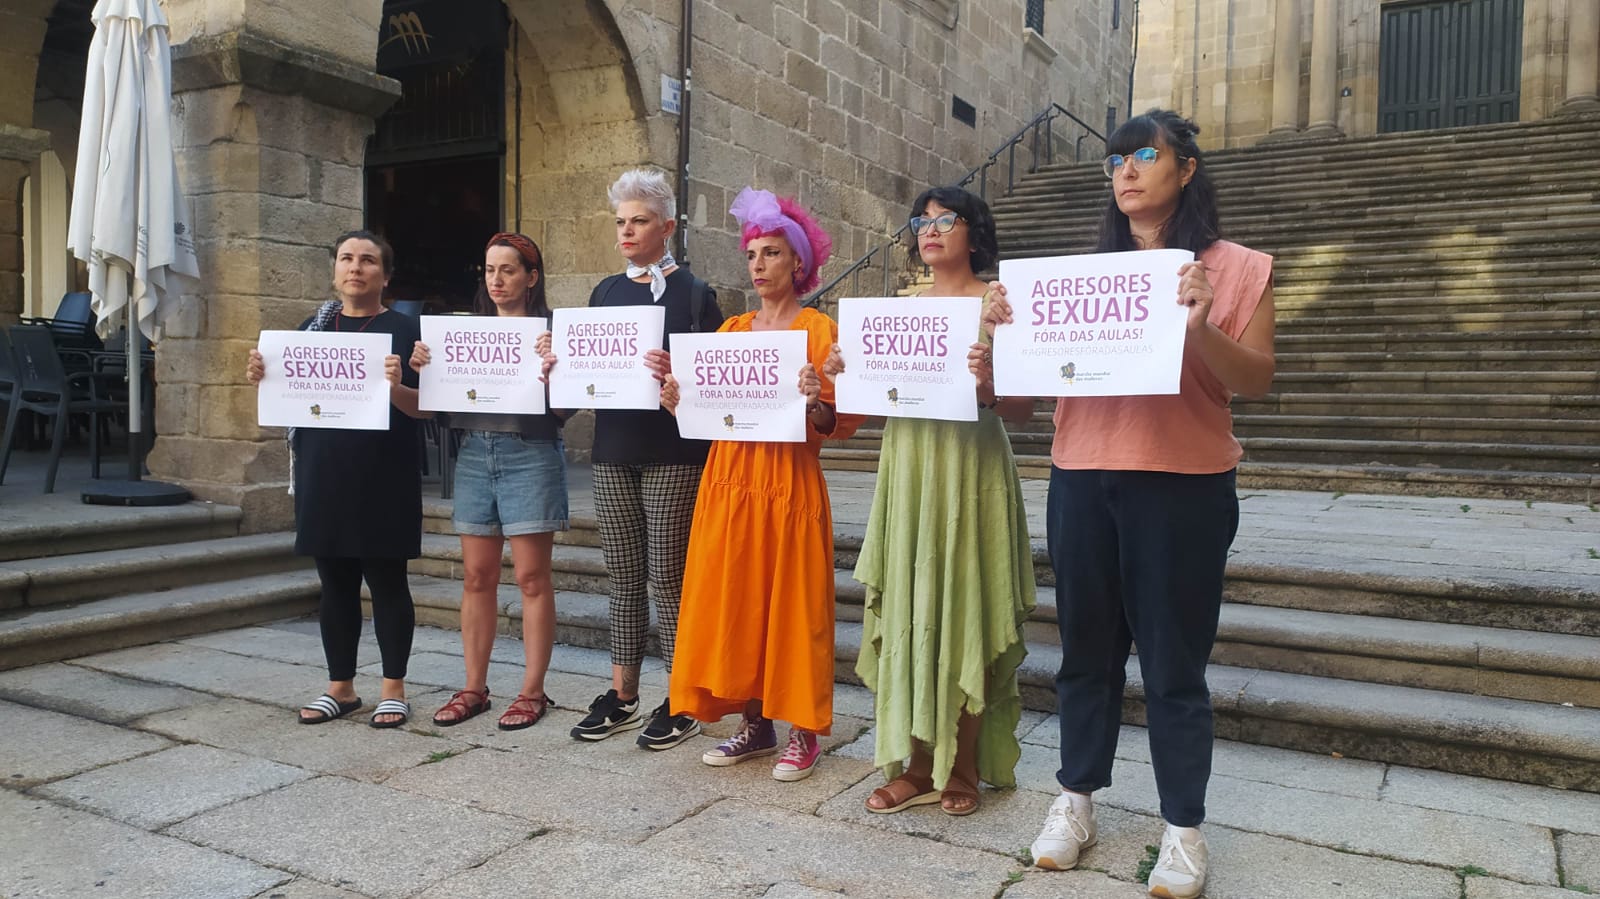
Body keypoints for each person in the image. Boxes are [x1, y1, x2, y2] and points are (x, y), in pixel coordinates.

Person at [985, 110, 1275, 899]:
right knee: (1086, 651)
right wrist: (1002, 339)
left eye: (1146, 154)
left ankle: (1182, 827)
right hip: (1083, 475)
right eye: (1115, 158)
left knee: (1176, 664)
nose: (1127, 169)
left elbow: (1253, 380)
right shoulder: (1078, 278)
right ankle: (1075, 798)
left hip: (1182, 483)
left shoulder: (1236, 266)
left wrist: (1201, 323)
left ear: (1185, 168)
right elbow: (1017, 399)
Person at [822, 187, 1034, 816]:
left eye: (947, 221)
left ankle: (963, 768)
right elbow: (864, 402)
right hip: (910, 466)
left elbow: (1024, 411)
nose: (931, 230)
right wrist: (842, 368)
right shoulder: (897, 308)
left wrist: (993, 376)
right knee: (913, 607)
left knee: (965, 602)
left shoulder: (996, 303)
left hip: (971, 466)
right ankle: (916, 765)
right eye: (922, 221)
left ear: (975, 232)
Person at [659, 188, 863, 782]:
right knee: (738, 601)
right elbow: (702, 412)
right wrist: (675, 400)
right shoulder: (731, 330)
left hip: (788, 482)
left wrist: (817, 396)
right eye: (752, 255)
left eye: (771, 253)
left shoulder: (819, 330)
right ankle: (755, 724)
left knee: (794, 606)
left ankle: (803, 730)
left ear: (797, 263)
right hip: (728, 483)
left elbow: (834, 425)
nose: (759, 265)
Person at [552, 169, 725, 749]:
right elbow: (589, 371)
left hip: (673, 453)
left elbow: (716, 382)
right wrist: (560, 364)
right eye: (621, 221)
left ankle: (682, 698)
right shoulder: (604, 291)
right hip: (613, 450)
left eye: (640, 221)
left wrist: (678, 379)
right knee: (623, 577)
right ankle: (623, 694)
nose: (627, 231)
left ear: (667, 226)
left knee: (669, 579)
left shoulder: (696, 294)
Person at [245, 230, 428, 729]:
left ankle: (394, 689)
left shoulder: (406, 331)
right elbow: (289, 398)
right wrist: (265, 374)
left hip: (382, 476)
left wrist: (397, 387)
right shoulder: (310, 330)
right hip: (322, 473)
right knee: (335, 584)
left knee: (387, 582)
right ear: (334, 270)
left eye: (368, 260)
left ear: (384, 276)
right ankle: (340, 688)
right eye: (347, 258)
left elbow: (427, 409)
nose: (356, 267)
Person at [411, 233, 569, 731]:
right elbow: (433, 405)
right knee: (477, 575)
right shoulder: (463, 335)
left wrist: (555, 373)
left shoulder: (552, 332)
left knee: (530, 577)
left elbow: (565, 410)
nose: (496, 280)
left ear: (531, 277)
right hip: (475, 452)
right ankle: (474, 687)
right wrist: (423, 370)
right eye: (488, 270)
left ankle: (532, 691)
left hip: (531, 452)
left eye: (508, 270)